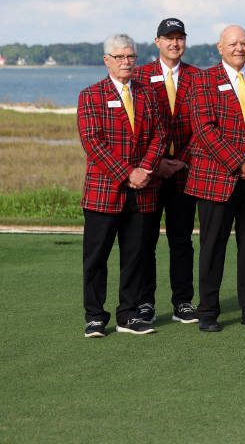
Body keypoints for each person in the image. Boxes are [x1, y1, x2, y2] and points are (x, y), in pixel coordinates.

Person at [185, 25, 245, 332]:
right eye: (233, 44)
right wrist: (240, 163)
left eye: (243, 43)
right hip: (217, 178)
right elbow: (205, 129)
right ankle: (208, 312)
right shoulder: (203, 80)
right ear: (220, 47)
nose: (239, 48)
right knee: (212, 246)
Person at [78, 34, 165, 337]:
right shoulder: (91, 95)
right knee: (96, 258)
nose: (127, 62)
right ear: (107, 61)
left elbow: (159, 136)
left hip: (142, 192)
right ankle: (94, 316)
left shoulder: (148, 94)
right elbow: (93, 142)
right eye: (120, 57)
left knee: (135, 256)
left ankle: (128, 315)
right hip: (104, 193)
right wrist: (127, 172)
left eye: (131, 57)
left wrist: (145, 169)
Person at [132, 18, 200, 325]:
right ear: (157, 41)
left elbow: (203, 126)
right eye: (168, 38)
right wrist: (156, 163)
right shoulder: (140, 75)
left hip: (184, 171)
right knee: (144, 240)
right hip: (151, 173)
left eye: (179, 38)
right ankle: (145, 301)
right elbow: (137, 128)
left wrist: (180, 161)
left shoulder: (198, 77)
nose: (175, 43)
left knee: (181, 240)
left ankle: (183, 301)